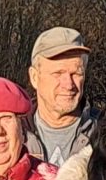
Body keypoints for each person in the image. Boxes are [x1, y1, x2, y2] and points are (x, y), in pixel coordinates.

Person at [23, 26, 93, 167]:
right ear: (34, 77)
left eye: (76, 73)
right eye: (58, 73)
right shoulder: (14, 136)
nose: (68, 84)